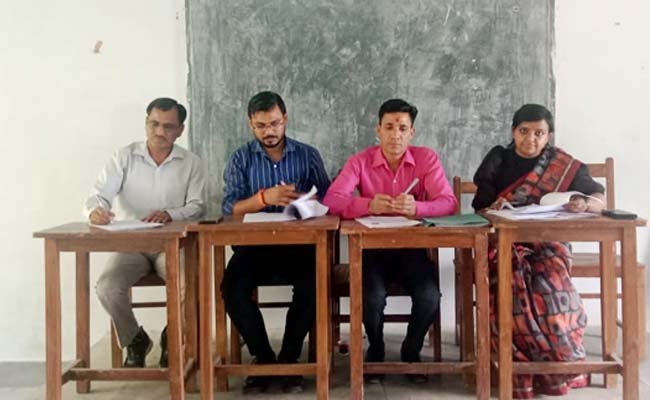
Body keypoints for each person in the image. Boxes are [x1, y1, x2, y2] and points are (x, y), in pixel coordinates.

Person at [472, 103, 605, 399]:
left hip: (549, 244)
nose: (530, 139)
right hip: (504, 244)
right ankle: (519, 373)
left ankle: (557, 367)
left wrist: (584, 203)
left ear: (548, 136)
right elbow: (480, 206)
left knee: (551, 289)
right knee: (512, 287)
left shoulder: (561, 165)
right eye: (524, 131)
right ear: (513, 131)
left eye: (538, 133)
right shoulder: (498, 159)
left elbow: (598, 198)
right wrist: (493, 206)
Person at [323, 98, 457, 383]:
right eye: (389, 127)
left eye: (402, 128)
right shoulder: (360, 161)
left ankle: (411, 350)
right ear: (378, 130)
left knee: (430, 296)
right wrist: (367, 205)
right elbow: (332, 200)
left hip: (412, 250)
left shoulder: (426, 159)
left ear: (412, 133)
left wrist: (418, 208)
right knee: (371, 298)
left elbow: (448, 203)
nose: (395, 135)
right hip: (372, 251)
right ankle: (376, 349)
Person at [221, 91, 330, 394]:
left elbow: (330, 198)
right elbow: (229, 207)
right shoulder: (240, 158)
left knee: (314, 286)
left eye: (274, 123)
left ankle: (290, 360)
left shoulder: (307, 155)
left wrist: (304, 200)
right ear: (250, 124)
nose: (268, 131)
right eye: (260, 126)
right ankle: (264, 359)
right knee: (231, 289)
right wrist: (263, 198)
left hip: (300, 245)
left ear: (285, 120)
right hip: (254, 247)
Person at [84, 97, 206, 368]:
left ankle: (172, 337)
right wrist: (96, 211)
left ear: (180, 130)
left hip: (173, 245)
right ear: (146, 123)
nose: (160, 131)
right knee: (107, 286)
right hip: (132, 245)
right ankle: (134, 339)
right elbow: (99, 194)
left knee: (188, 284)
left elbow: (198, 206)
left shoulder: (191, 163)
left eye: (168, 126)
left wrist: (170, 214)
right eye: (154, 124)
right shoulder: (124, 157)